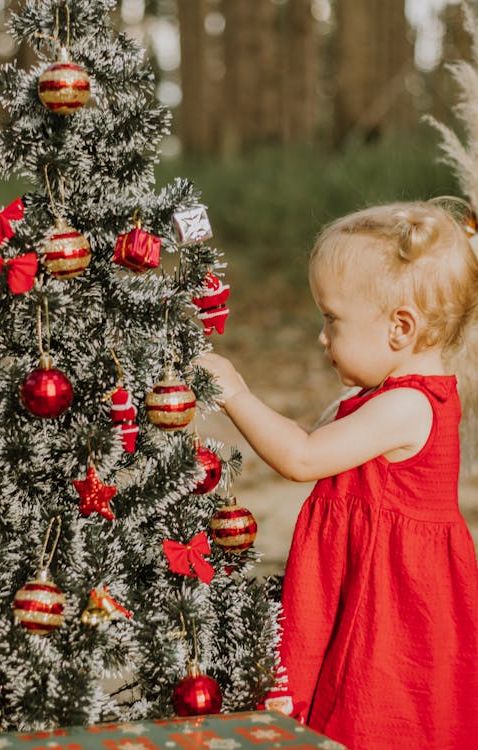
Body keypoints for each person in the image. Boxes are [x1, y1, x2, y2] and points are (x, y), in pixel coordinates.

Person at [199, 201, 478, 750]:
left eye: (332, 319)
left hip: (390, 605)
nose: (321, 338)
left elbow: (302, 457)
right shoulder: (381, 396)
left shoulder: (409, 408)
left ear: (401, 328)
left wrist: (234, 394)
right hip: (361, 582)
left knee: (373, 718)